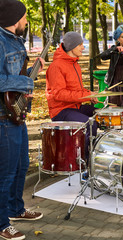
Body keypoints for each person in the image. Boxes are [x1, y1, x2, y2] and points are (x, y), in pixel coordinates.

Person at [0, 1, 44, 239]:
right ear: (15, 18)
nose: (26, 22)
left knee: (21, 167)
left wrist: (31, 72)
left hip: (17, 115)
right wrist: (25, 82)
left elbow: (14, 74)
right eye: (25, 17)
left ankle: (16, 209)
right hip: (3, 119)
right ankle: (1, 224)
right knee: (5, 173)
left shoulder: (15, 40)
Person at [46, 31, 98, 173]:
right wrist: (86, 96)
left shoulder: (74, 63)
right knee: (89, 123)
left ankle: (99, 154)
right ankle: (84, 163)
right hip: (60, 111)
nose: (83, 47)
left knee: (99, 113)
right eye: (80, 44)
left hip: (75, 107)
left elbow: (75, 90)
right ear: (72, 47)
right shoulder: (56, 66)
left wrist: (89, 95)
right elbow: (59, 94)